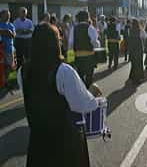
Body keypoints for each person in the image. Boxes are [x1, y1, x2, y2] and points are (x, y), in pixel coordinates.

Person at [18, 23, 99, 167]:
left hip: (38, 143)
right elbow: (84, 105)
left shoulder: (22, 71)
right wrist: (92, 91)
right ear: (55, 43)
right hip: (64, 144)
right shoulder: (63, 71)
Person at [68, 11, 100, 88]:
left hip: (78, 57)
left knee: (80, 77)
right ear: (87, 18)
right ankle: (88, 93)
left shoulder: (73, 28)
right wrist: (98, 45)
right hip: (89, 57)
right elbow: (94, 42)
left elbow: (71, 44)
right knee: (89, 77)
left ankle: (82, 94)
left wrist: (71, 58)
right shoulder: (90, 27)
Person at [128, 19, 147, 84]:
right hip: (139, 49)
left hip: (132, 50)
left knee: (133, 64)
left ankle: (132, 77)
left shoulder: (130, 30)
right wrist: (141, 28)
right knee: (139, 64)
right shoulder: (140, 30)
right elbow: (145, 36)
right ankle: (138, 78)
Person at [0, 10, 16, 86]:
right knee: (1, 66)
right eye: (6, 15)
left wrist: (7, 32)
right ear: (2, 16)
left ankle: (6, 80)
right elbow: (8, 33)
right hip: (1, 50)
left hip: (9, 49)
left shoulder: (11, 25)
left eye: (9, 15)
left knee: (9, 66)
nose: (8, 16)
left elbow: (13, 35)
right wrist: (6, 31)